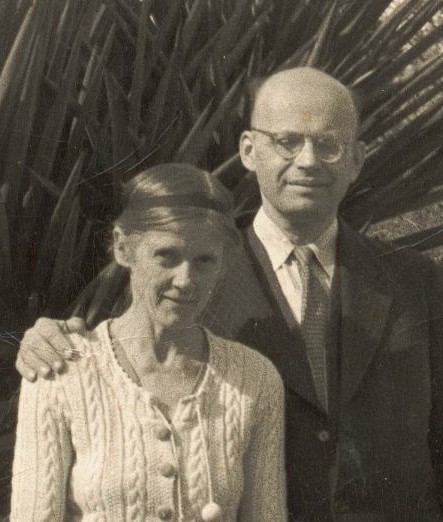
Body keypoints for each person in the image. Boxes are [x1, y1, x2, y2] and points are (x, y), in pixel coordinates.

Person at [16, 68, 443, 521]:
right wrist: (45, 342)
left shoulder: (415, 281)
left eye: (329, 144)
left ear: (356, 160)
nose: (308, 160)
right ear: (248, 150)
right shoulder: (192, 276)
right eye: (287, 141)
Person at [10, 164, 287, 522]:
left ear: (223, 264)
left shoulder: (255, 379)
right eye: (166, 256)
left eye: (204, 261)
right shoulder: (61, 367)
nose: (186, 280)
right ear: (123, 248)